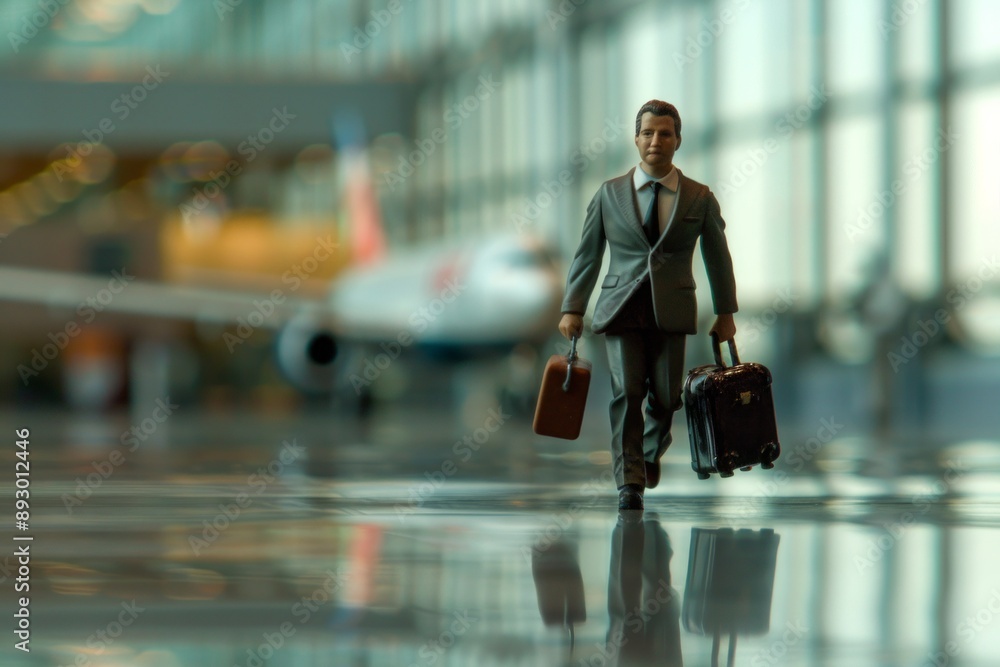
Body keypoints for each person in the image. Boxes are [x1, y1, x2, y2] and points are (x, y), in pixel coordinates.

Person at [558, 100, 738, 510]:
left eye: (665, 133)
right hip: (621, 308)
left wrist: (726, 312)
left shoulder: (698, 197)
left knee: (667, 396)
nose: (656, 140)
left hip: (671, 311)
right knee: (626, 393)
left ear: (678, 140)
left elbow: (718, 256)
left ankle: (650, 451)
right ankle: (629, 480)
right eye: (648, 133)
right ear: (636, 139)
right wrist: (573, 307)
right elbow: (588, 255)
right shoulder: (609, 194)